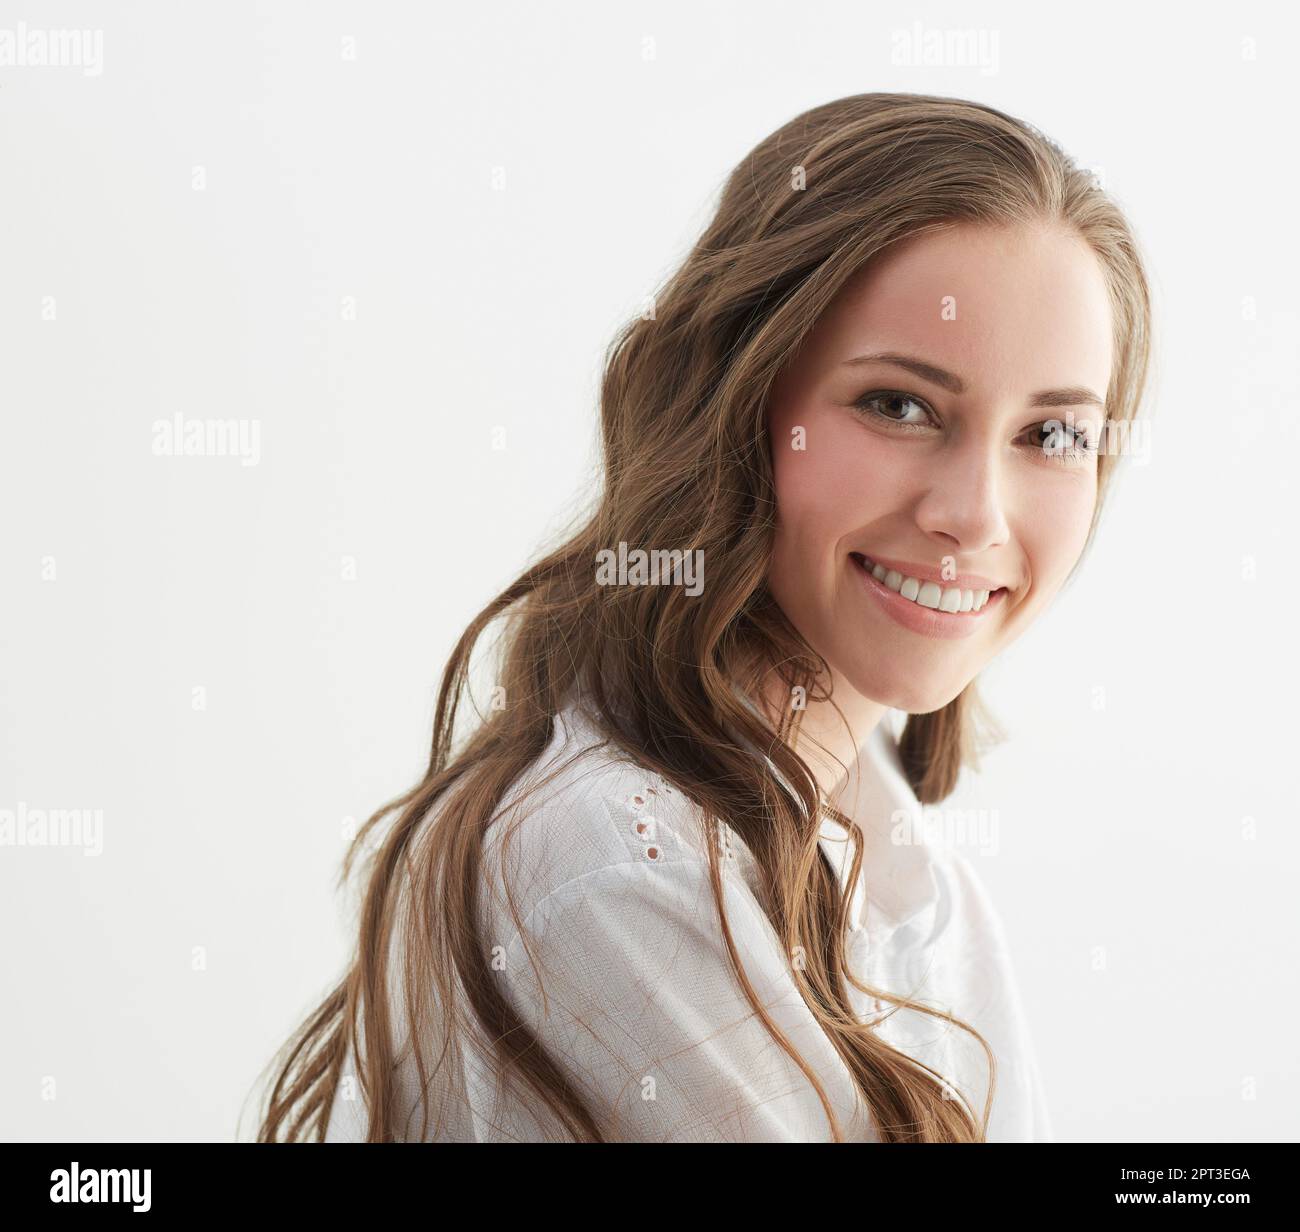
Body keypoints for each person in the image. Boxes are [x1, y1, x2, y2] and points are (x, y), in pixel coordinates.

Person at [255, 92, 1151, 1143]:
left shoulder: (914, 882)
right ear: (738, 402)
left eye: (1051, 433)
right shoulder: (615, 861)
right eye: (898, 405)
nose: (972, 515)